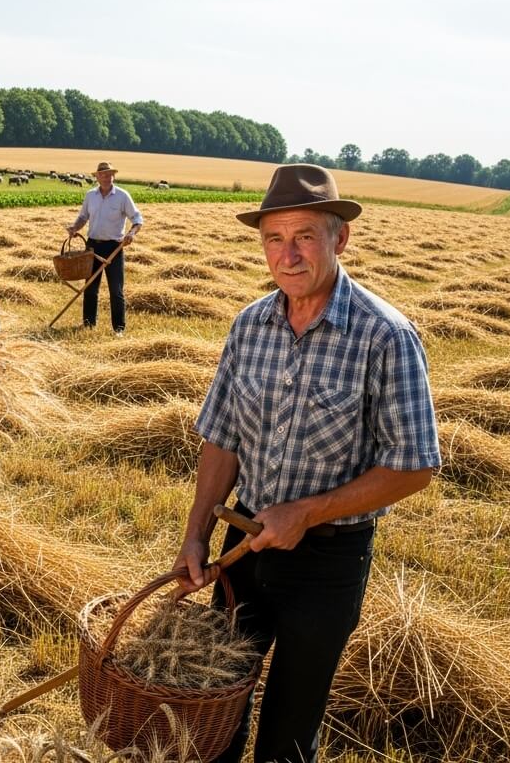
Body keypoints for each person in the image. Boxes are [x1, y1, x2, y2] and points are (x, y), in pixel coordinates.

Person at [173, 164, 441, 763]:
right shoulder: (249, 325)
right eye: (274, 238)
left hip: (327, 561)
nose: (287, 255)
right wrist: (197, 533)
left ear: (339, 239)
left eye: (304, 237)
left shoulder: (385, 336)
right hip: (244, 546)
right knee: (217, 706)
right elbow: (221, 437)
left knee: (291, 727)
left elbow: (416, 464)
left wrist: (309, 511)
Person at [65, 161, 143, 335]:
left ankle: (119, 329)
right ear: (97, 177)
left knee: (116, 290)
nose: (107, 177)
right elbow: (83, 217)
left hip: (114, 247)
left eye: (110, 174)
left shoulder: (122, 196)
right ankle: (88, 324)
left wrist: (131, 233)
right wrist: (74, 228)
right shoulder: (90, 196)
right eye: (103, 175)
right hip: (92, 246)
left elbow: (137, 219)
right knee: (90, 287)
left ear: (113, 176)